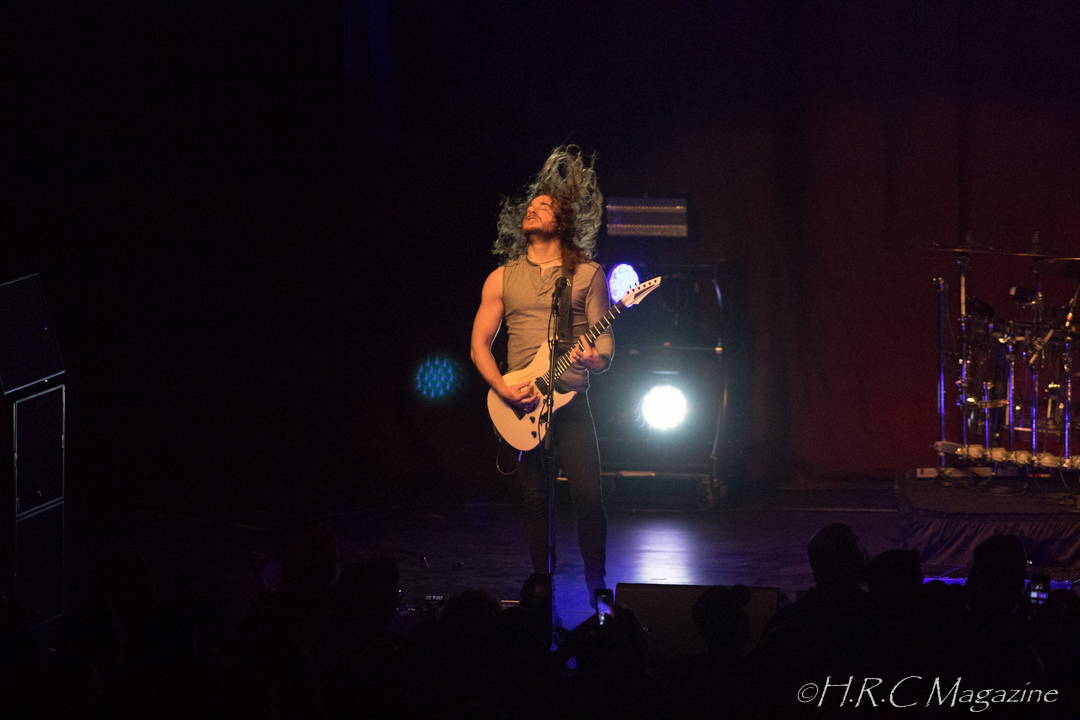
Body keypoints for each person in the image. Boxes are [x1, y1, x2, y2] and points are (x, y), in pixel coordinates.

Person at [470, 145, 613, 605]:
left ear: (564, 220)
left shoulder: (587, 274)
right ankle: (541, 591)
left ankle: (597, 587)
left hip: (571, 403)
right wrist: (503, 388)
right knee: (535, 502)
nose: (532, 209)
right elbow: (478, 346)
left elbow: (605, 346)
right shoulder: (501, 278)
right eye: (530, 206)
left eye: (545, 205)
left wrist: (593, 360)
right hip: (522, 404)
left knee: (589, 499)